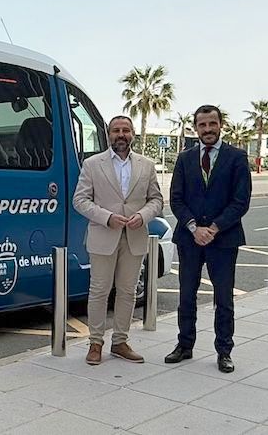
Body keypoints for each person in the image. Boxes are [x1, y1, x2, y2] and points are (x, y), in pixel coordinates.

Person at [165, 105, 251, 373]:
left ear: (220, 125)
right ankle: (184, 345)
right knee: (186, 295)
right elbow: (176, 199)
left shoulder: (237, 157)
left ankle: (224, 351)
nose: (208, 129)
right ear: (196, 128)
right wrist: (194, 228)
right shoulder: (184, 158)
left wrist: (213, 228)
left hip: (224, 240)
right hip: (189, 239)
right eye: (202, 125)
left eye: (212, 123)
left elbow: (241, 201)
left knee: (223, 299)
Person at [73, 116, 163, 365]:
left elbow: (156, 200)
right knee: (99, 291)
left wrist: (143, 216)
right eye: (116, 130)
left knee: (127, 291)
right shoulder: (92, 164)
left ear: (132, 134)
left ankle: (120, 342)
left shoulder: (146, 165)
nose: (121, 134)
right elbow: (79, 200)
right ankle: (95, 343)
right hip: (103, 236)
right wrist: (107, 217)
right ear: (108, 134)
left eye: (125, 130)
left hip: (135, 236)